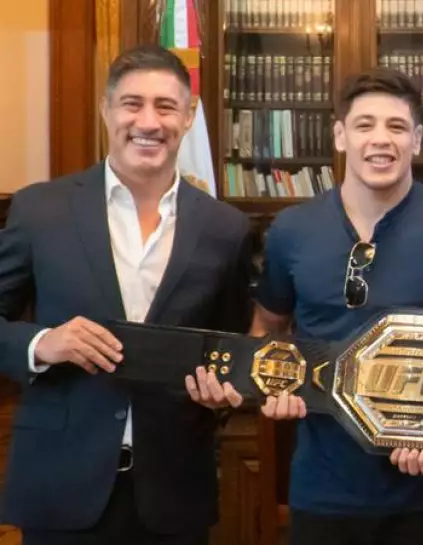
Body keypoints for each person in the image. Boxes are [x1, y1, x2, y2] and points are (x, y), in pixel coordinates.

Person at [0, 44, 252, 545]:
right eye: (132, 103)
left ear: (188, 116)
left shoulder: (227, 228)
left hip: (175, 491)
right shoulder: (39, 210)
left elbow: (231, 345)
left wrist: (226, 390)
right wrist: (39, 344)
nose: (148, 121)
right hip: (61, 485)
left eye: (165, 106)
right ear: (107, 110)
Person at [252, 68, 423, 545]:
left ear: (418, 139)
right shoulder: (291, 230)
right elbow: (265, 331)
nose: (380, 140)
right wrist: (271, 386)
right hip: (322, 490)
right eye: (364, 125)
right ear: (341, 135)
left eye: (397, 127)